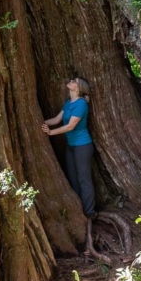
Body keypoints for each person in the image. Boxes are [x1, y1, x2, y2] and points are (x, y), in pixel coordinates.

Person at [41, 77, 95, 219]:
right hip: (71, 146)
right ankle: (79, 210)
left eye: (74, 81)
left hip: (83, 146)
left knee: (84, 179)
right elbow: (57, 120)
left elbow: (71, 126)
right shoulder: (68, 103)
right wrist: (40, 123)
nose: (71, 81)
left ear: (78, 88)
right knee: (73, 177)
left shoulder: (81, 104)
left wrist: (51, 132)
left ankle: (89, 212)